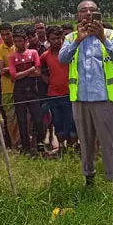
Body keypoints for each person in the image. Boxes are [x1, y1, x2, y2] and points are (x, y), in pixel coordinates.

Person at [59, 0, 113, 202]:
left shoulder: (110, 34)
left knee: (110, 144)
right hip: (80, 100)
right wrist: (78, 40)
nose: (88, 14)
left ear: (99, 14)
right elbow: (62, 59)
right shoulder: (71, 37)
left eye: (92, 11)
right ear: (77, 15)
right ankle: (89, 180)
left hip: (104, 99)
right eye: (83, 11)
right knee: (85, 143)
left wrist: (102, 37)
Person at [7, 27, 44, 155]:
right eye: (15, 42)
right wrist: (30, 69)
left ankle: (40, 143)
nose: (18, 44)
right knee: (22, 120)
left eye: (20, 41)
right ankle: (26, 147)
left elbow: (38, 73)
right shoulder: (12, 56)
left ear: (25, 41)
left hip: (33, 90)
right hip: (19, 91)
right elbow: (13, 76)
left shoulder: (33, 53)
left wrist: (21, 73)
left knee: (38, 118)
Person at [41, 26, 75, 154]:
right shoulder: (45, 56)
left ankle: (71, 147)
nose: (56, 41)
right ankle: (61, 147)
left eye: (59, 38)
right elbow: (40, 70)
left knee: (71, 122)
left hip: (69, 93)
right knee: (57, 122)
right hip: (53, 95)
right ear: (48, 40)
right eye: (53, 39)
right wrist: (46, 79)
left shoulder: (69, 53)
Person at [0, 22, 20, 149]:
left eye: (7, 34)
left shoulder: (20, 45)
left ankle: (25, 142)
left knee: (24, 117)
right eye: (2, 35)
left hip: (21, 88)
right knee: (11, 119)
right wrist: (17, 69)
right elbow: (1, 71)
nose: (5, 37)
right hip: (7, 89)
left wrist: (10, 69)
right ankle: (15, 144)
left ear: (12, 33)